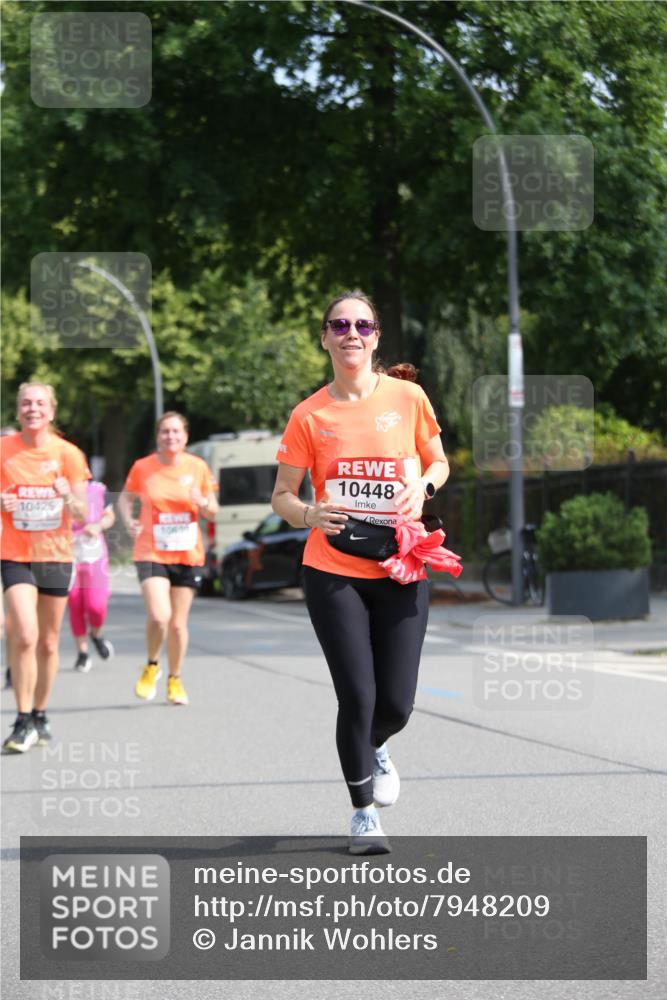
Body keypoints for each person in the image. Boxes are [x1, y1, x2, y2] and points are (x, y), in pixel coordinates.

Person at [272, 291, 451, 854]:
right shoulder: (309, 415)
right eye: (339, 324)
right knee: (357, 694)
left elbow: (439, 462)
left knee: (394, 703)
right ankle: (363, 812)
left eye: (363, 324)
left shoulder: (408, 397)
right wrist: (308, 513)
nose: (352, 332)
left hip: (401, 563)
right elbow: (281, 495)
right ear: (324, 337)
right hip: (334, 570)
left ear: (375, 337)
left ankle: (375, 745)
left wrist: (422, 486)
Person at [0, 383, 90, 752]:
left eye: (39, 403)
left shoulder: (68, 454)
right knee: (24, 633)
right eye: (26, 403)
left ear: (51, 412)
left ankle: (40, 712)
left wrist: (67, 494)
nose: (32, 408)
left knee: (50, 643)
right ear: (18, 411)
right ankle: (22, 720)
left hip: (55, 555)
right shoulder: (3, 450)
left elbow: (84, 513)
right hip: (15, 552)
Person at [118, 411, 218, 706]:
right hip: (151, 551)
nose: (171, 437)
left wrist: (204, 504)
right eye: (165, 432)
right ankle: (152, 665)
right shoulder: (143, 467)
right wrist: (128, 522)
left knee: (177, 624)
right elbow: (125, 499)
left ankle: (175, 678)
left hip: (187, 552)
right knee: (160, 616)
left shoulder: (197, 466)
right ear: (158, 436)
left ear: (185, 436)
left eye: (176, 432)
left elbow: (214, 509)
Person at [68, 479, 115, 672]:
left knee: (96, 606)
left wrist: (98, 526)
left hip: (94, 554)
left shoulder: (98, 488)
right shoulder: (54, 488)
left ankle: (96, 634)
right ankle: (82, 653)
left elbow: (109, 517)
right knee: (75, 602)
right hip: (67, 554)